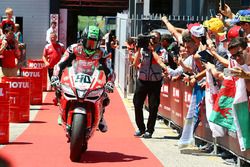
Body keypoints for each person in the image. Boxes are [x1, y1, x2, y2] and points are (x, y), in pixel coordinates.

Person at [51, 25, 115, 133]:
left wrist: (110, 82)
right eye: (89, 42)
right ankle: (61, 112)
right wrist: (55, 76)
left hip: (93, 77)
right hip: (76, 75)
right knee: (59, 89)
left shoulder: (102, 53)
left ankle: (101, 117)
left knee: (104, 96)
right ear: (83, 39)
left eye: (94, 43)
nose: (91, 46)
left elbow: (110, 70)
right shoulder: (74, 48)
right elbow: (60, 64)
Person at [132, 30, 168, 138]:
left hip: (155, 82)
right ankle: (141, 128)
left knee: (153, 107)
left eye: (155, 38)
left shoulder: (162, 51)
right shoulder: (142, 50)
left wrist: (152, 51)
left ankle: (150, 130)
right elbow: (135, 63)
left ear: (159, 40)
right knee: (137, 104)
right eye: (151, 37)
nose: (152, 40)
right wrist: (138, 49)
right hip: (142, 80)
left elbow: (161, 62)